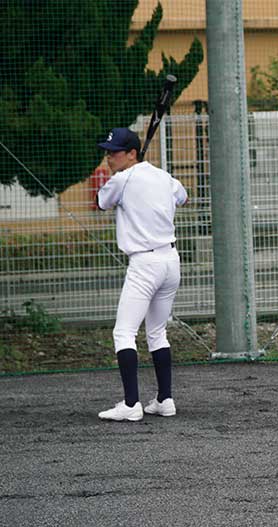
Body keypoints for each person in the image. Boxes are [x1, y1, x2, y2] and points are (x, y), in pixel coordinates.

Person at [95, 127, 188, 421]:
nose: (109, 157)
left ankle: (131, 404)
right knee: (157, 332)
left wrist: (132, 180)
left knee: (123, 332)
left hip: (145, 264)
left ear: (132, 153)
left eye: (115, 152)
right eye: (108, 152)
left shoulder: (120, 180)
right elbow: (183, 198)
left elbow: (100, 202)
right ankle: (165, 400)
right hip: (170, 260)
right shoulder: (164, 177)